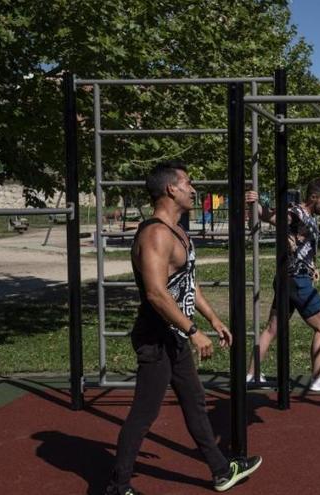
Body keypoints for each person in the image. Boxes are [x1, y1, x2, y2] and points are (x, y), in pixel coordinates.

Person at [106, 161, 261, 495]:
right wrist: (194, 331)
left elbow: (189, 284)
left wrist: (214, 320)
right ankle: (117, 487)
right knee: (144, 414)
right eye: (187, 183)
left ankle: (221, 470)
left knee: (194, 400)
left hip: (174, 335)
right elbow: (156, 294)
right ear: (171, 189)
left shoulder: (179, 232)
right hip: (156, 338)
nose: (193, 189)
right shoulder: (155, 234)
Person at [245, 178, 320, 392]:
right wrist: (256, 203)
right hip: (297, 281)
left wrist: (312, 265)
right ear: (313, 197)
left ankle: (251, 374)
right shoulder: (295, 213)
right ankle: (317, 379)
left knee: (272, 329)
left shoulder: (308, 217)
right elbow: (271, 216)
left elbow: (303, 242)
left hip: (289, 277)